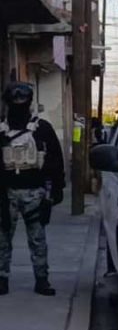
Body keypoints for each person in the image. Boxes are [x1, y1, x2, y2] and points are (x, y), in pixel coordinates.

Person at [0, 82, 65, 296]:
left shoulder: (41, 128)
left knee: (37, 239)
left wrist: (55, 190)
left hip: (35, 192)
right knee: (3, 238)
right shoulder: (2, 131)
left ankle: (41, 279)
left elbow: (55, 160)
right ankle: (2, 279)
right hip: (6, 193)